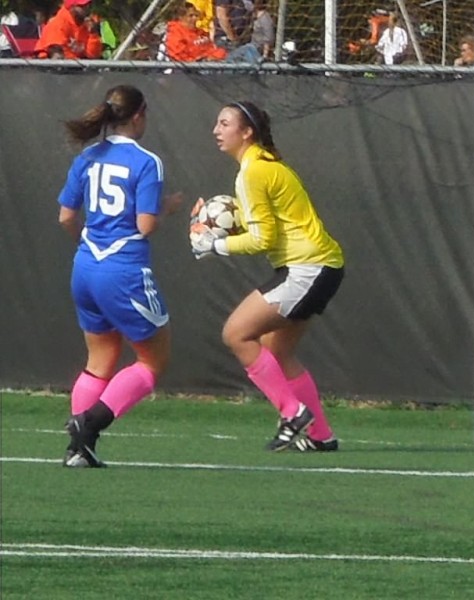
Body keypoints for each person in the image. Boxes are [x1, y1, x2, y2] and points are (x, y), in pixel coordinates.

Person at [190, 101, 344, 452]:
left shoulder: (252, 172)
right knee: (277, 352)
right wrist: (212, 227)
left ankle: (293, 413)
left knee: (236, 334)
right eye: (217, 122)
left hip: (309, 266)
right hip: (321, 265)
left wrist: (216, 245)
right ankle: (321, 436)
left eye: (225, 123)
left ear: (247, 132)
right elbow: (264, 225)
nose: (216, 130)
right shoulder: (261, 166)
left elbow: (263, 239)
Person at [58, 85, 181, 467]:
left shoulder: (89, 155)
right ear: (139, 114)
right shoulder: (147, 161)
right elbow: (144, 225)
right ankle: (88, 425)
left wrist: (90, 244)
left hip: (85, 266)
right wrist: (167, 209)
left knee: (100, 359)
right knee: (153, 360)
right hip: (123, 268)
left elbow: (65, 217)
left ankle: (77, 451)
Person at [34, 0, 103, 60]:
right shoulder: (58, 23)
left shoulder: (88, 24)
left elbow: (93, 56)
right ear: (71, 7)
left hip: (79, 68)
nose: (87, 8)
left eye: (89, 5)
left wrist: (93, 34)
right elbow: (57, 55)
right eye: (82, 6)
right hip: (48, 67)